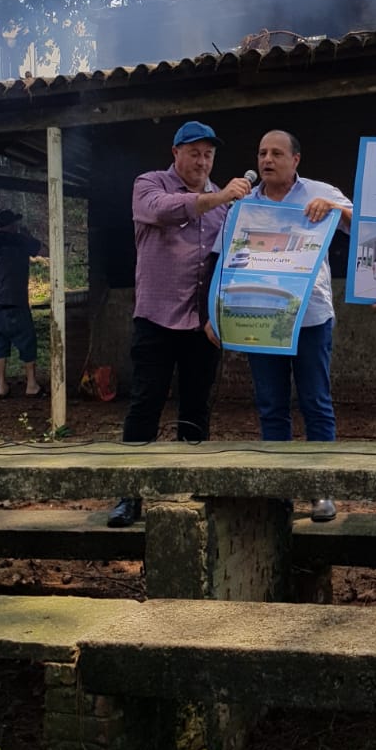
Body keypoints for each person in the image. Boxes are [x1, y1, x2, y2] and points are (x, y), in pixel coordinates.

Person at [108, 121, 253, 528]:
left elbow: (232, 257)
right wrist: (219, 196)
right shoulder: (150, 184)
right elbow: (163, 211)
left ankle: (191, 488)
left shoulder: (225, 203)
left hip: (201, 325)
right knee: (145, 404)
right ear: (175, 153)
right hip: (155, 319)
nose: (202, 162)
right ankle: (129, 495)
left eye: (208, 155)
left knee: (196, 406)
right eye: (194, 153)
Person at [212, 129, 351, 523]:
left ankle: (321, 489)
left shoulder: (319, 192)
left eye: (276, 153)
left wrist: (334, 208)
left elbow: (364, 225)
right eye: (261, 153)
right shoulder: (242, 206)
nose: (267, 160)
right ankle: (280, 492)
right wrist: (215, 313)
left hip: (310, 317)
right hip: (260, 316)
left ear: (296, 160)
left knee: (315, 402)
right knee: (271, 406)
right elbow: (224, 262)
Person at [0, 208, 43, 399]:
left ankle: (2, 385)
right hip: (17, 302)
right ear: (12, 225)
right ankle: (31, 384)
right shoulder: (20, 240)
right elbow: (41, 249)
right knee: (27, 343)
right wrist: (28, 235)